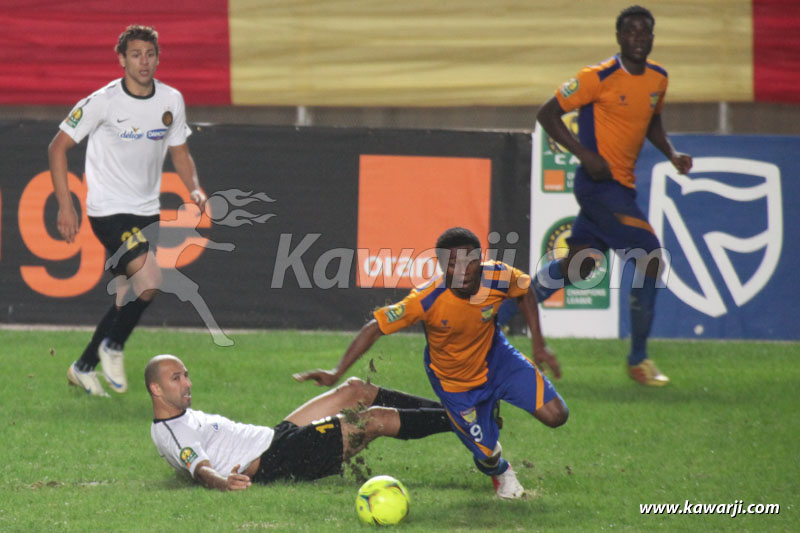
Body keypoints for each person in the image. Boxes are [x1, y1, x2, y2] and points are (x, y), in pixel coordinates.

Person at [294, 227, 569, 500]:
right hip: (456, 385)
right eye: (452, 265)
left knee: (557, 415)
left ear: (479, 260)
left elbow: (524, 291)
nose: (461, 271)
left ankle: (493, 406)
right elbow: (375, 327)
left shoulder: (498, 275)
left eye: (468, 262)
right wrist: (336, 372)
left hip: (499, 361)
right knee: (486, 457)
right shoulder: (426, 299)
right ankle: (502, 472)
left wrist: (539, 343)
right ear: (440, 266)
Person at [532, 5, 693, 386]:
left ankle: (502, 312)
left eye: (645, 32)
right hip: (598, 186)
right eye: (632, 31)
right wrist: (584, 154)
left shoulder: (658, 79)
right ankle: (638, 360)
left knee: (580, 267)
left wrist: (671, 153)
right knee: (650, 257)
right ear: (619, 37)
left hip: (621, 187)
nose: (639, 37)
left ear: (652, 37)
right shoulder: (597, 77)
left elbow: (651, 119)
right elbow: (547, 114)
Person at [48, 25, 207, 396]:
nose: (143, 62)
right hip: (108, 210)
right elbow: (57, 147)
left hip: (146, 210)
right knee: (149, 280)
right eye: (135, 55)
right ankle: (113, 346)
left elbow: (179, 152)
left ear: (157, 57)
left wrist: (195, 187)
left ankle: (84, 366)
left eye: (149, 55)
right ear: (121, 60)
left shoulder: (171, 100)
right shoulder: (102, 101)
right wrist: (65, 205)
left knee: (129, 293)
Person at [146, 354, 452, 490]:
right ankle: (462, 421)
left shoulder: (181, 415)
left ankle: (454, 410)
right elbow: (200, 470)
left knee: (356, 389)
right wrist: (224, 483)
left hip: (276, 438)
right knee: (373, 420)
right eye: (176, 378)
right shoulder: (173, 432)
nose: (187, 383)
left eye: (186, 374)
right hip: (278, 460)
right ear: (156, 389)